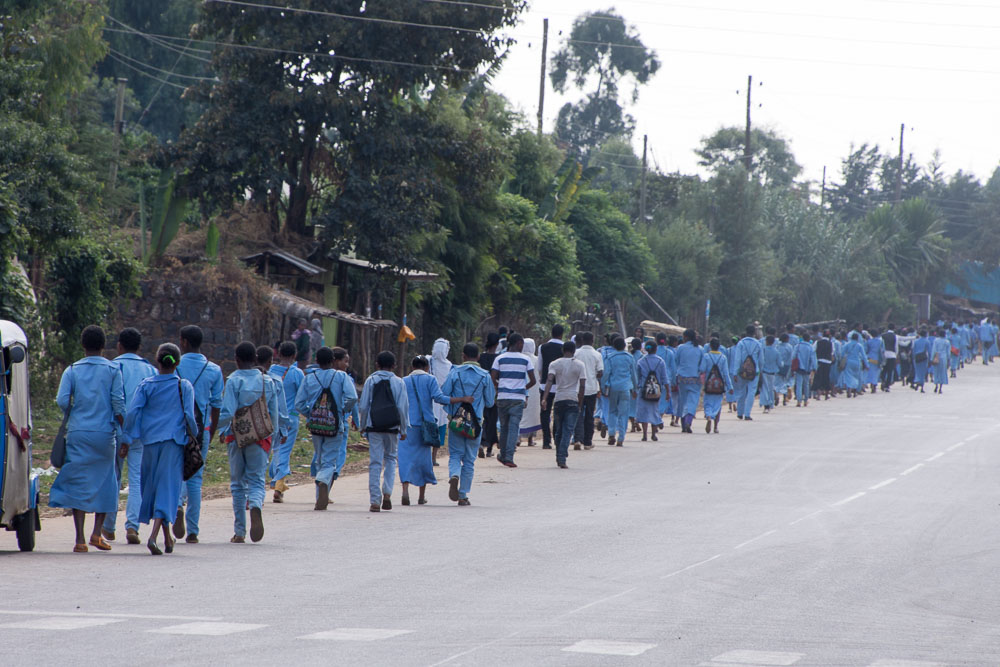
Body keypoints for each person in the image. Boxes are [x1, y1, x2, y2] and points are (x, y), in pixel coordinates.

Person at [50, 325, 126, 553]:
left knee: (79, 481)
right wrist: (124, 430)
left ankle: (80, 539)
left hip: (78, 432)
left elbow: (62, 400)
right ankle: (97, 533)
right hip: (104, 434)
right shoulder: (113, 370)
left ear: (83, 345)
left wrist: (76, 412)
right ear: (104, 345)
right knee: (106, 480)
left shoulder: (72, 370)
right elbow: (118, 404)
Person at [123, 343, 196, 555]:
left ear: (157, 361)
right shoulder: (184, 386)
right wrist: (194, 434)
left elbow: (133, 412)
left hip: (149, 443)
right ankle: (154, 537)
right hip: (173, 443)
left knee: (153, 488)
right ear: (177, 363)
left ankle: (167, 538)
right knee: (167, 488)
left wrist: (127, 438)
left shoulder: (146, 385)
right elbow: (189, 416)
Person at [218, 342, 282, 543]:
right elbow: (273, 414)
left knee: (237, 484)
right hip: (261, 438)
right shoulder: (267, 381)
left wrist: (216, 428)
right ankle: (255, 504)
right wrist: (272, 438)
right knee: (256, 480)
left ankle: (239, 531)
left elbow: (228, 412)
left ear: (236, 360)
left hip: (235, 437)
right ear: (255, 359)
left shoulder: (233, 380)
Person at [102, 328, 156, 545]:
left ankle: (108, 525)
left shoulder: (112, 367)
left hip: (116, 429)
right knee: (136, 480)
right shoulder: (150, 369)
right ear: (139, 347)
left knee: (114, 476)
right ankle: (132, 525)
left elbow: (110, 401)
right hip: (141, 432)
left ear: (119, 346)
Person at [173, 325, 224, 544]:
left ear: (183, 342)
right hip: (201, 430)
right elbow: (217, 405)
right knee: (195, 478)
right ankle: (193, 530)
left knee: (175, 473)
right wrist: (211, 432)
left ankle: (177, 505)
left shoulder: (174, 366)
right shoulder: (213, 369)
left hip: (175, 429)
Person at [401, 356, 470, 505]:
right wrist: (460, 399)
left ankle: (405, 491)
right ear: (427, 367)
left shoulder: (404, 381)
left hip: (407, 425)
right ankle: (421, 496)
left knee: (406, 459)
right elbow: (440, 398)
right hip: (426, 425)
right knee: (423, 460)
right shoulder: (430, 379)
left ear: (412, 367)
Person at [294, 346, 357, 510]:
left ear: (316, 361)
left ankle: (319, 497)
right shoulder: (341, 376)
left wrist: (310, 414)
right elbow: (352, 397)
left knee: (320, 457)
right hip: (335, 424)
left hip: (316, 425)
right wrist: (341, 411)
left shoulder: (309, 378)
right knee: (329, 461)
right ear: (333, 360)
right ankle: (323, 482)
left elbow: (299, 403)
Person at [441, 344, 495, 505]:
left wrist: (455, 405)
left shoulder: (455, 372)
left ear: (463, 356)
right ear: (478, 357)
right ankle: (463, 495)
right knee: (470, 459)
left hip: (457, 422)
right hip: (475, 424)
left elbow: (444, 395)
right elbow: (490, 402)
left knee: (455, 454)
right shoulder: (485, 376)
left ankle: (454, 475)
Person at [358, 351, 409, 512]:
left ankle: (375, 500)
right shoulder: (399, 382)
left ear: (377, 364)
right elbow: (402, 408)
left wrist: (363, 425)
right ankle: (387, 492)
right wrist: (403, 428)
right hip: (392, 427)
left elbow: (364, 406)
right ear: (394, 365)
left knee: (375, 462)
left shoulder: (370, 380)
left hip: (374, 427)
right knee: (391, 459)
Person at [490, 334, 536, 468]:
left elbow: (492, 378)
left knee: (504, 427)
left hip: (503, 397)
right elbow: (533, 380)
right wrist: (522, 388)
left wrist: (499, 386)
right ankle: (509, 457)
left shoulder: (499, 358)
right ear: (519, 343)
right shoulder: (525, 359)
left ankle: (503, 455)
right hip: (517, 398)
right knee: (513, 428)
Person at [267, 342, 305, 503]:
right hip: (290, 418)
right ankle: (278, 485)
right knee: (284, 451)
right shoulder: (297, 373)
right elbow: (303, 396)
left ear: (278, 354)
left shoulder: (270, 371)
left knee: (274, 449)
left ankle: (276, 480)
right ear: (294, 356)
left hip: (271, 417)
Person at [540, 341, 586, 468]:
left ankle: (559, 454)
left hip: (559, 399)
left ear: (562, 350)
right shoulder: (580, 365)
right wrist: (580, 403)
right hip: (573, 399)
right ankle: (561, 456)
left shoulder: (554, 364)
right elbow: (582, 386)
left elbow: (549, 380)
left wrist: (544, 398)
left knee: (559, 430)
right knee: (568, 430)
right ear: (574, 351)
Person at [601, 336, 638, 445]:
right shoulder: (630, 357)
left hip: (613, 387)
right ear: (624, 345)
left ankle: (611, 433)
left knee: (612, 411)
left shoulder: (610, 357)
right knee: (624, 413)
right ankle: (621, 437)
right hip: (626, 388)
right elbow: (634, 375)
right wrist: (635, 389)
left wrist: (603, 387)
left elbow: (606, 374)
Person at [572, 331, 603, 450]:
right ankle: (587, 441)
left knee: (578, 413)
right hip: (591, 388)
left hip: (577, 388)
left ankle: (577, 439)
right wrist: (593, 374)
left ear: (582, 340)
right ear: (592, 341)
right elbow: (600, 372)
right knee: (589, 415)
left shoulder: (576, 353)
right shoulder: (597, 354)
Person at [537, 325, 565, 450]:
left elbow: (540, 367)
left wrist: (542, 378)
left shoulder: (542, 347)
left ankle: (546, 440)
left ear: (551, 333)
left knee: (545, 412)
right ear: (562, 334)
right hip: (560, 385)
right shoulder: (565, 347)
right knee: (558, 413)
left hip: (545, 385)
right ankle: (556, 437)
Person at [635, 340, 668, 441]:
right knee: (654, 411)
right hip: (656, 391)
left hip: (644, 390)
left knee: (644, 411)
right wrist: (668, 392)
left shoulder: (641, 361)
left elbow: (637, 377)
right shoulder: (660, 361)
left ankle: (644, 434)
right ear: (656, 349)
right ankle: (653, 434)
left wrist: (636, 388)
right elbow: (664, 378)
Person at [699, 338, 734, 433]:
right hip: (720, 386)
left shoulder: (706, 356)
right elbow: (726, 374)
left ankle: (708, 416)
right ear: (719, 347)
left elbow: (702, 369)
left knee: (707, 403)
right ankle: (715, 426)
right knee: (718, 404)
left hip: (709, 385)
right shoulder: (723, 358)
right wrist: (730, 387)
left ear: (710, 346)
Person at [673, 329, 704, 433]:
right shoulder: (700, 349)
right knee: (693, 401)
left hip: (682, 378)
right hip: (695, 378)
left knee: (683, 401)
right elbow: (702, 366)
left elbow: (676, 361)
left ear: (685, 337)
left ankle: (683, 424)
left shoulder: (680, 348)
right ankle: (689, 421)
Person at [730, 326, 763, 422]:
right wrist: (760, 370)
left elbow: (737, 359)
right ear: (754, 333)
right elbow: (761, 360)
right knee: (751, 392)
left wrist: (735, 372)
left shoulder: (741, 343)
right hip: (754, 372)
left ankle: (740, 413)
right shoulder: (758, 344)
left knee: (741, 392)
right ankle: (747, 414)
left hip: (742, 371)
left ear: (746, 332)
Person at [477, 333, 501, 458]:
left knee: (483, 417)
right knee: (492, 418)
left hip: (481, 391)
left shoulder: (481, 357)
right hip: (495, 391)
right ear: (497, 344)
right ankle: (489, 449)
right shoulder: (499, 358)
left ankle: (481, 442)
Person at [429, 338, 452, 466]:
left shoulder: (428, 361)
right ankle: (433, 457)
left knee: (430, 428)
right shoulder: (449, 366)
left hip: (431, 400)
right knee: (440, 428)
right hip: (442, 401)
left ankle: (429, 457)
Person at [519, 338, 542, 447]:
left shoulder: (520, 359)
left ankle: (517, 437)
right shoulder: (537, 360)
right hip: (535, 391)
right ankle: (530, 440)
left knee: (520, 414)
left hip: (522, 389)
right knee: (533, 414)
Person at [792, 333, 818, 407]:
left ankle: (799, 401)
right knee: (806, 384)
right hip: (807, 368)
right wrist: (814, 368)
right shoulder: (811, 347)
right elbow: (813, 359)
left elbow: (793, 356)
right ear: (809, 339)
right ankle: (806, 400)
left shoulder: (798, 346)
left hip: (799, 368)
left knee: (799, 384)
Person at [841, 332, 868, 398]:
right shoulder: (859, 345)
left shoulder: (847, 344)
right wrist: (867, 365)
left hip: (849, 362)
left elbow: (842, 354)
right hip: (857, 362)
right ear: (857, 338)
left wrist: (841, 361)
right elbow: (864, 356)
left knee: (848, 376)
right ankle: (855, 392)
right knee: (856, 377)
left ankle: (849, 390)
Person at [931, 329, 951, 393]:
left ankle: (936, 385)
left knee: (936, 371)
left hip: (937, 357)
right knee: (942, 372)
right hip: (944, 358)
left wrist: (932, 358)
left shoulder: (936, 340)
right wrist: (949, 360)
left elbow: (934, 350)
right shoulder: (947, 342)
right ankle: (940, 388)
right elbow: (948, 352)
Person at [881, 324, 898, 391]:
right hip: (892, 355)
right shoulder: (895, 336)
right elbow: (896, 347)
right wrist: (896, 355)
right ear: (894, 328)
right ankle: (887, 386)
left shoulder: (883, 335)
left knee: (884, 370)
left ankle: (883, 381)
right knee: (890, 371)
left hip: (884, 354)